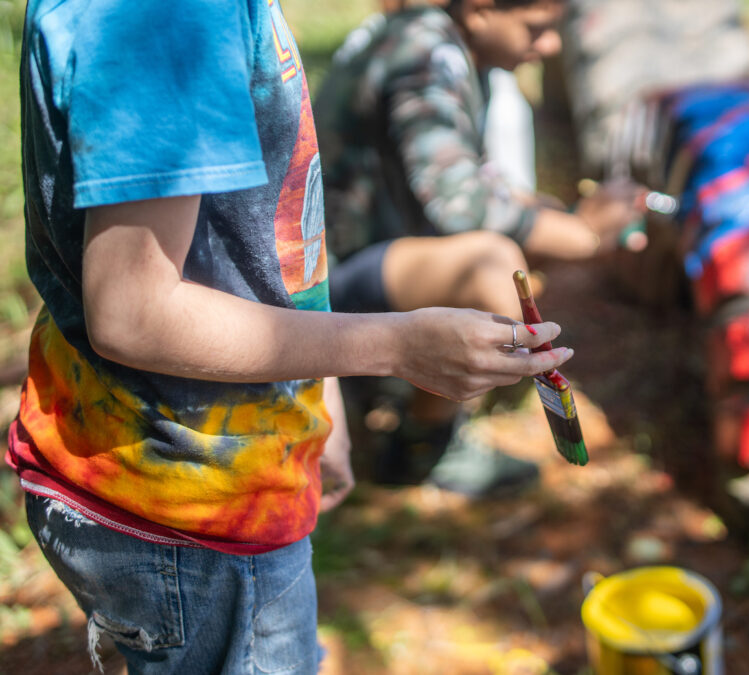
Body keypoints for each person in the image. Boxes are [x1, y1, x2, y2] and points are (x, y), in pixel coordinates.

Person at [7, 1, 572, 672]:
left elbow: (258, 226)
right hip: (189, 506)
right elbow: (135, 312)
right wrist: (397, 346)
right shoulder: (170, 13)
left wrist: (317, 392)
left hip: (209, 474)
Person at [314, 0, 643, 497]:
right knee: (492, 265)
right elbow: (460, 205)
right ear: (479, 11)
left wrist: (568, 216)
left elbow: (479, 182)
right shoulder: (426, 54)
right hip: (324, 289)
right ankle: (420, 448)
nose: (550, 45)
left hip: (371, 259)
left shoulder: (449, 47)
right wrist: (584, 235)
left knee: (533, 233)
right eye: (536, 28)